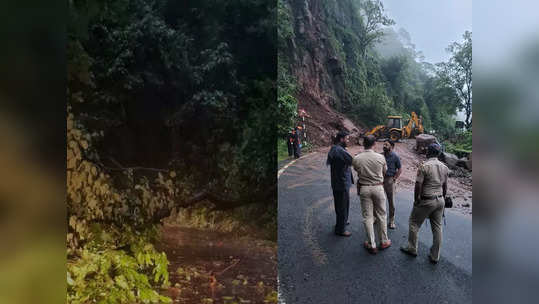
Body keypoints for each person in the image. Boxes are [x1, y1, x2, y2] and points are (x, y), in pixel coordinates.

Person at [400, 143, 449, 264]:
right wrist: (443, 197)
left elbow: (418, 184)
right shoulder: (444, 167)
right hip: (440, 200)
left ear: (428, 152)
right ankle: (435, 255)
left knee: (414, 223)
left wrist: (416, 199)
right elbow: (445, 185)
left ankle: (412, 248)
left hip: (427, 199)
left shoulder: (424, 166)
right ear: (438, 153)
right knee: (437, 227)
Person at [353, 135, 391, 254]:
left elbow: (357, 170)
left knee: (368, 217)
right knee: (381, 215)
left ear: (363, 144)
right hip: (378, 187)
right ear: (374, 144)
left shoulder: (357, 158)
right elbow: (385, 171)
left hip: (364, 188)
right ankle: (384, 241)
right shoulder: (381, 157)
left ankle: (371, 244)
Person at [326, 131, 354, 237]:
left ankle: (341, 222)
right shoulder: (339, 150)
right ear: (341, 139)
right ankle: (341, 229)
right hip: (342, 182)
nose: (348, 140)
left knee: (340, 205)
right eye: (347, 139)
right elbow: (352, 161)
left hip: (337, 182)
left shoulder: (335, 148)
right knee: (342, 205)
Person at [382, 140, 402, 229]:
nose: (384, 146)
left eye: (386, 144)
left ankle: (391, 221)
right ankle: (376, 217)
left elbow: (400, 169)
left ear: (392, 147)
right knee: (378, 201)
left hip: (390, 180)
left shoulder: (395, 156)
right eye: (384, 144)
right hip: (380, 180)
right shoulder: (380, 155)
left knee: (391, 202)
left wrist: (394, 179)